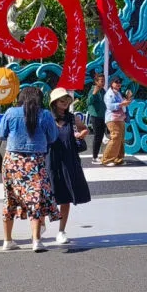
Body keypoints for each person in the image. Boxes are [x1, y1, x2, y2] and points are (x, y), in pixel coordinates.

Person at [0, 86, 61, 252]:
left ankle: (7, 240)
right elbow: (53, 137)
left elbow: (1, 134)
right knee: (35, 199)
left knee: (10, 198)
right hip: (35, 161)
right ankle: (36, 240)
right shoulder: (45, 115)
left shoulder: (11, 112)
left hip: (12, 161)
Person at [46, 88, 91, 246]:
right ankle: (40, 225)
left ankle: (61, 231)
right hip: (50, 160)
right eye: (61, 100)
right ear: (54, 103)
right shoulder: (47, 118)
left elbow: (85, 129)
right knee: (46, 195)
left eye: (66, 100)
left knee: (65, 197)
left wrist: (81, 134)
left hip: (68, 160)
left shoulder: (72, 118)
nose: (65, 103)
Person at [101, 76, 131, 167]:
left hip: (120, 118)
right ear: (112, 83)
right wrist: (122, 104)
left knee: (120, 139)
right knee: (116, 137)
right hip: (113, 119)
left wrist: (127, 99)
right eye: (116, 82)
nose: (118, 84)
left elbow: (123, 104)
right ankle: (107, 159)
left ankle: (118, 159)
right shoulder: (109, 94)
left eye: (120, 82)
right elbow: (110, 106)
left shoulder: (118, 93)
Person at [85, 73, 108, 163]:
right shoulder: (93, 90)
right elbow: (88, 102)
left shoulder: (103, 91)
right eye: (101, 81)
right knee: (97, 136)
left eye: (104, 81)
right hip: (95, 117)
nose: (103, 83)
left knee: (101, 136)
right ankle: (94, 157)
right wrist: (94, 93)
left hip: (103, 116)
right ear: (96, 81)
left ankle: (97, 155)